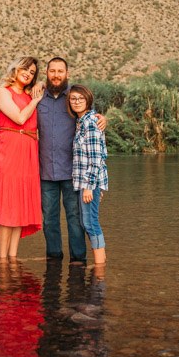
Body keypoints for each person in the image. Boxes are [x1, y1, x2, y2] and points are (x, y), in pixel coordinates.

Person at [36, 57, 105, 264]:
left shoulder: (73, 99)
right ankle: (54, 259)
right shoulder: (38, 98)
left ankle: (78, 260)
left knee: (75, 220)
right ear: (46, 73)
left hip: (73, 173)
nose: (56, 75)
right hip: (46, 171)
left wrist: (103, 118)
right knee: (49, 220)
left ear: (67, 73)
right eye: (52, 71)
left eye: (60, 71)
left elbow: (89, 117)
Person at [0, 56, 45, 261]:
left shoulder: (30, 94)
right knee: (7, 204)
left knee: (20, 202)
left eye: (32, 72)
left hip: (28, 151)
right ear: (16, 68)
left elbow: (56, 85)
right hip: (9, 151)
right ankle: (3, 259)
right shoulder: (2, 92)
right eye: (25, 69)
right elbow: (19, 118)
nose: (28, 73)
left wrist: (39, 87)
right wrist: (36, 100)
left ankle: (13, 256)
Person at [68, 84, 108, 265]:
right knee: (87, 222)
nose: (76, 102)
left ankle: (100, 264)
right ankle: (99, 262)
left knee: (91, 223)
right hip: (86, 183)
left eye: (80, 99)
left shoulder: (91, 122)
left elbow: (96, 157)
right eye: (73, 99)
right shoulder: (81, 121)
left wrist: (89, 186)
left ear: (88, 100)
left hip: (88, 184)